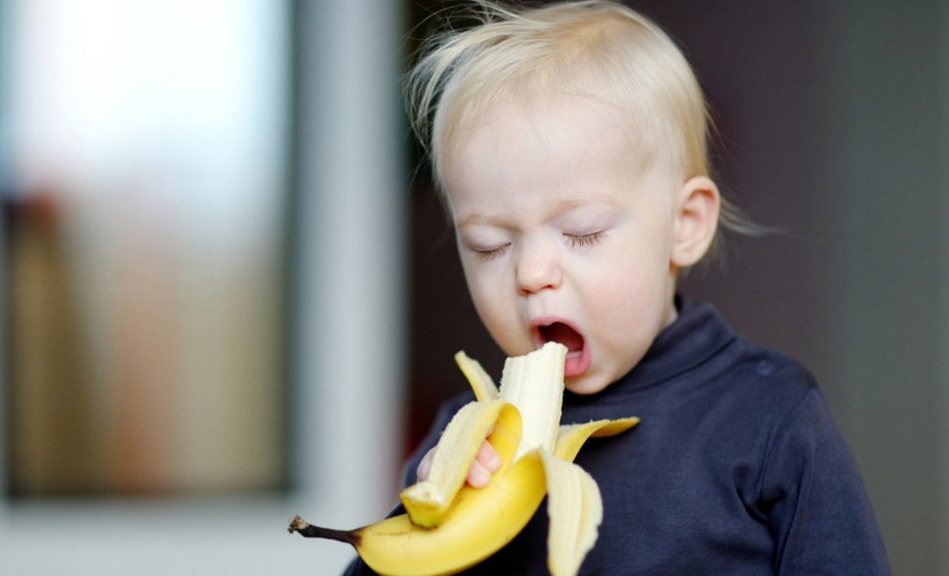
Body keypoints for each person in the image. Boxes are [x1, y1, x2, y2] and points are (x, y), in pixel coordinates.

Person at [345, 1, 890, 574]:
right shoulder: (466, 439)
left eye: (582, 233)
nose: (531, 274)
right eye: (490, 244)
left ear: (685, 225)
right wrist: (437, 515)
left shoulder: (770, 418)